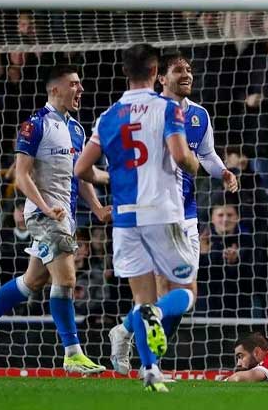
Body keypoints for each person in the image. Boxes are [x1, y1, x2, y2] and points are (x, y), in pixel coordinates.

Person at [0, 65, 111, 374]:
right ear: (54, 89)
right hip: (42, 216)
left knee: (32, 282)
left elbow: (81, 175)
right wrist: (44, 207)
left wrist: (97, 207)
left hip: (63, 216)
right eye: (74, 84)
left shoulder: (77, 130)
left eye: (81, 84)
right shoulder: (35, 125)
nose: (80, 89)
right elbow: (21, 175)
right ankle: (72, 354)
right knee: (67, 279)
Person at [75, 43, 200, 392]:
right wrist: (194, 164)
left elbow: (82, 168)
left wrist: (109, 177)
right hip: (163, 212)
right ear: (155, 70)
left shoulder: (108, 115)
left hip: (126, 219)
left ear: (125, 71)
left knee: (143, 298)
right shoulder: (167, 107)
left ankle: (150, 371)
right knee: (187, 293)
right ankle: (155, 319)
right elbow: (179, 156)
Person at [107, 51, 238, 376]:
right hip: (153, 213)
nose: (187, 75)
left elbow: (205, 154)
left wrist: (223, 172)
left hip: (187, 216)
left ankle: (126, 331)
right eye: (178, 70)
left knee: (182, 294)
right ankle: (149, 364)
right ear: (160, 77)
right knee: (164, 288)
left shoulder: (199, 116)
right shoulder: (147, 113)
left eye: (190, 69)